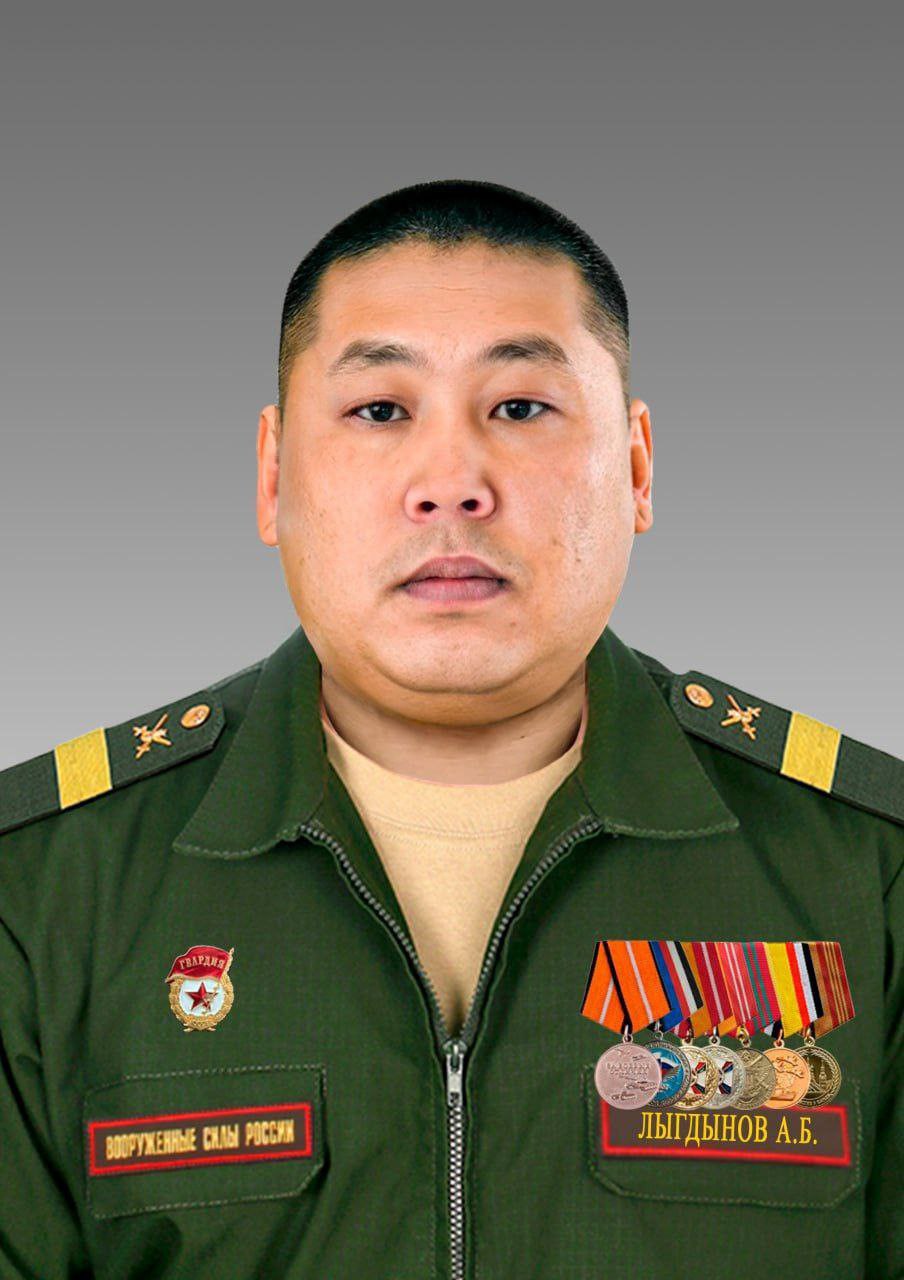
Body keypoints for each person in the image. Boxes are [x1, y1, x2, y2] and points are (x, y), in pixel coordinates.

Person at [0, 179, 899, 1280]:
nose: (452, 485)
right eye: (381, 410)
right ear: (273, 475)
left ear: (635, 465)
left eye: (519, 407)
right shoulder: (43, 888)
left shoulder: (866, 870)